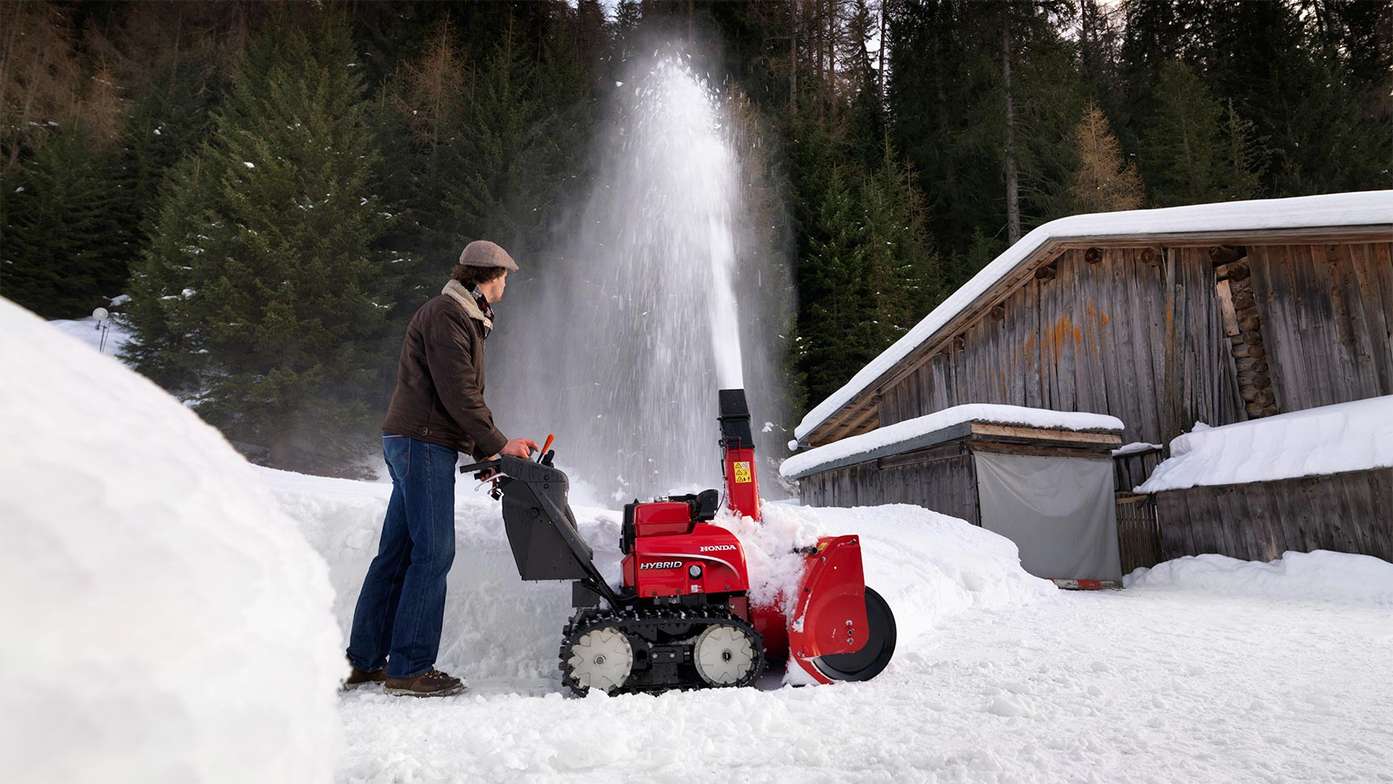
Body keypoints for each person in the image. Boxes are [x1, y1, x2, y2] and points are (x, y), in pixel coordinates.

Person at [343, 240, 538, 697]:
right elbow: (458, 394)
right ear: (488, 277)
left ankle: (362, 662)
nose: (507, 283)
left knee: (396, 553)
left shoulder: (464, 316)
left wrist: (487, 452)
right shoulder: (447, 315)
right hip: (421, 443)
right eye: (505, 276)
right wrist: (497, 442)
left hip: (418, 440)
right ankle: (409, 668)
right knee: (433, 552)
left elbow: (453, 400)